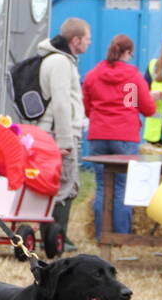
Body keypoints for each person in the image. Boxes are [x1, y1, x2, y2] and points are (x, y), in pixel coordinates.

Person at [83, 34, 155, 238]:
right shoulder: (132, 78)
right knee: (122, 186)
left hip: (98, 135)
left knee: (102, 186)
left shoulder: (93, 75)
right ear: (127, 53)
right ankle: (121, 235)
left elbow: (87, 106)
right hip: (125, 136)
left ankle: (101, 235)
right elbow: (147, 107)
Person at [34, 18, 90, 252]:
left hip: (56, 132)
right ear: (75, 40)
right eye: (87, 38)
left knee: (64, 185)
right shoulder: (60, 62)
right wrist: (65, 140)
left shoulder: (61, 60)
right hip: (59, 134)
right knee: (64, 185)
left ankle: (57, 236)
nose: (89, 43)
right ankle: (56, 239)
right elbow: (61, 103)